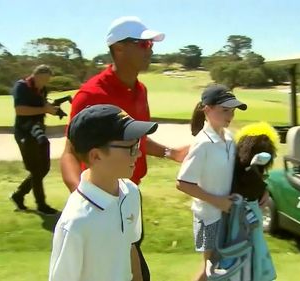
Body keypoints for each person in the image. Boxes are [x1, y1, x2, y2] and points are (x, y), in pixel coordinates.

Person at [59, 16, 188, 280]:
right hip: (99, 200)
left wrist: (171, 153)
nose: (150, 49)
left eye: (150, 44)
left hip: (129, 196)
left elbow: (136, 139)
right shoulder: (91, 94)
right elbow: (70, 152)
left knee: (134, 266)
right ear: (119, 48)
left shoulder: (140, 90)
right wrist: (84, 199)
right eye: (143, 44)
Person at [49, 104, 157, 281]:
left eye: (137, 144)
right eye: (130, 148)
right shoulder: (75, 223)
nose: (138, 154)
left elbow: (130, 247)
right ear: (96, 156)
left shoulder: (130, 192)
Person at [176, 84, 247, 281]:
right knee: (210, 267)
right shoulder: (203, 143)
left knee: (220, 265)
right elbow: (183, 182)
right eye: (225, 110)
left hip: (226, 214)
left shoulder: (230, 138)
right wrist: (218, 201)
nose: (230, 115)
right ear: (207, 110)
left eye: (232, 110)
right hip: (208, 217)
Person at [10, 64, 59, 215]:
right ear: (35, 75)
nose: (45, 83)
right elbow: (20, 110)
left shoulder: (42, 89)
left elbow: (42, 105)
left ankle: (18, 195)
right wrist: (44, 109)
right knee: (36, 170)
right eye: (43, 79)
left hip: (39, 133)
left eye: (47, 80)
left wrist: (52, 109)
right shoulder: (21, 86)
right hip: (24, 133)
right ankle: (41, 205)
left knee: (44, 168)